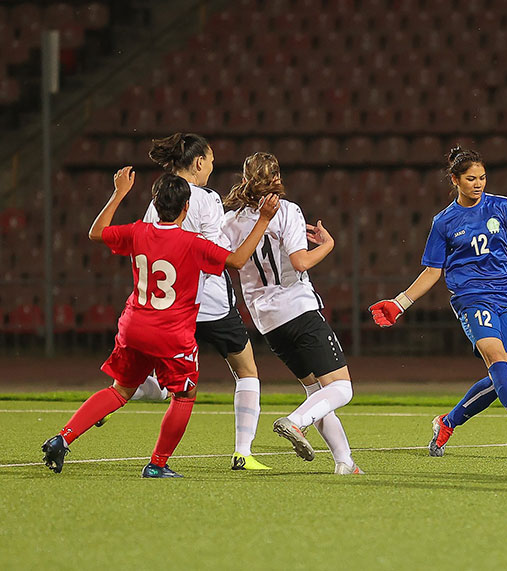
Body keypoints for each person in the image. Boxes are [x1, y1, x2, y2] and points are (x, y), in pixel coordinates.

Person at [41, 168, 280, 477]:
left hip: (134, 327)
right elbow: (236, 261)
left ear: (155, 202)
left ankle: (63, 437)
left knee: (120, 391)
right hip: (170, 333)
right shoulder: (193, 243)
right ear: (186, 207)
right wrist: (263, 220)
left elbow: (96, 233)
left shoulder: (138, 231)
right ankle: (157, 464)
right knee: (185, 394)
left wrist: (119, 193)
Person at [369, 147, 507, 456]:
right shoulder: (444, 222)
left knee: (503, 378)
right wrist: (400, 303)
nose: (478, 184)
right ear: (454, 180)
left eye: (482, 178)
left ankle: (447, 422)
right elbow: (432, 271)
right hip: (472, 297)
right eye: (470, 179)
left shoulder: (503, 207)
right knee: (497, 362)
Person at [129, 133, 270, 471]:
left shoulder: (158, 199)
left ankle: (142, 388)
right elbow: (222, 256)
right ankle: (243, 452)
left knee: (167, 377)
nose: (212, 166)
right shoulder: (206, 198)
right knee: (247, 371)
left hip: (173, 305)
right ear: (196, 164)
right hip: (211, 303)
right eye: (209, 160)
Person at [221, 152, 361, 475]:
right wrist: (327, 245)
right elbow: (300, 262)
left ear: (245, 180)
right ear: (276, 179)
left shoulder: (231, 221)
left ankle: (345, 462)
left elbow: (229, 262)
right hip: (298, 309)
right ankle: (296, 422)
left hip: (267, 323)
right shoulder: (287, 211)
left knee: (317, 392)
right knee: (342, 388)